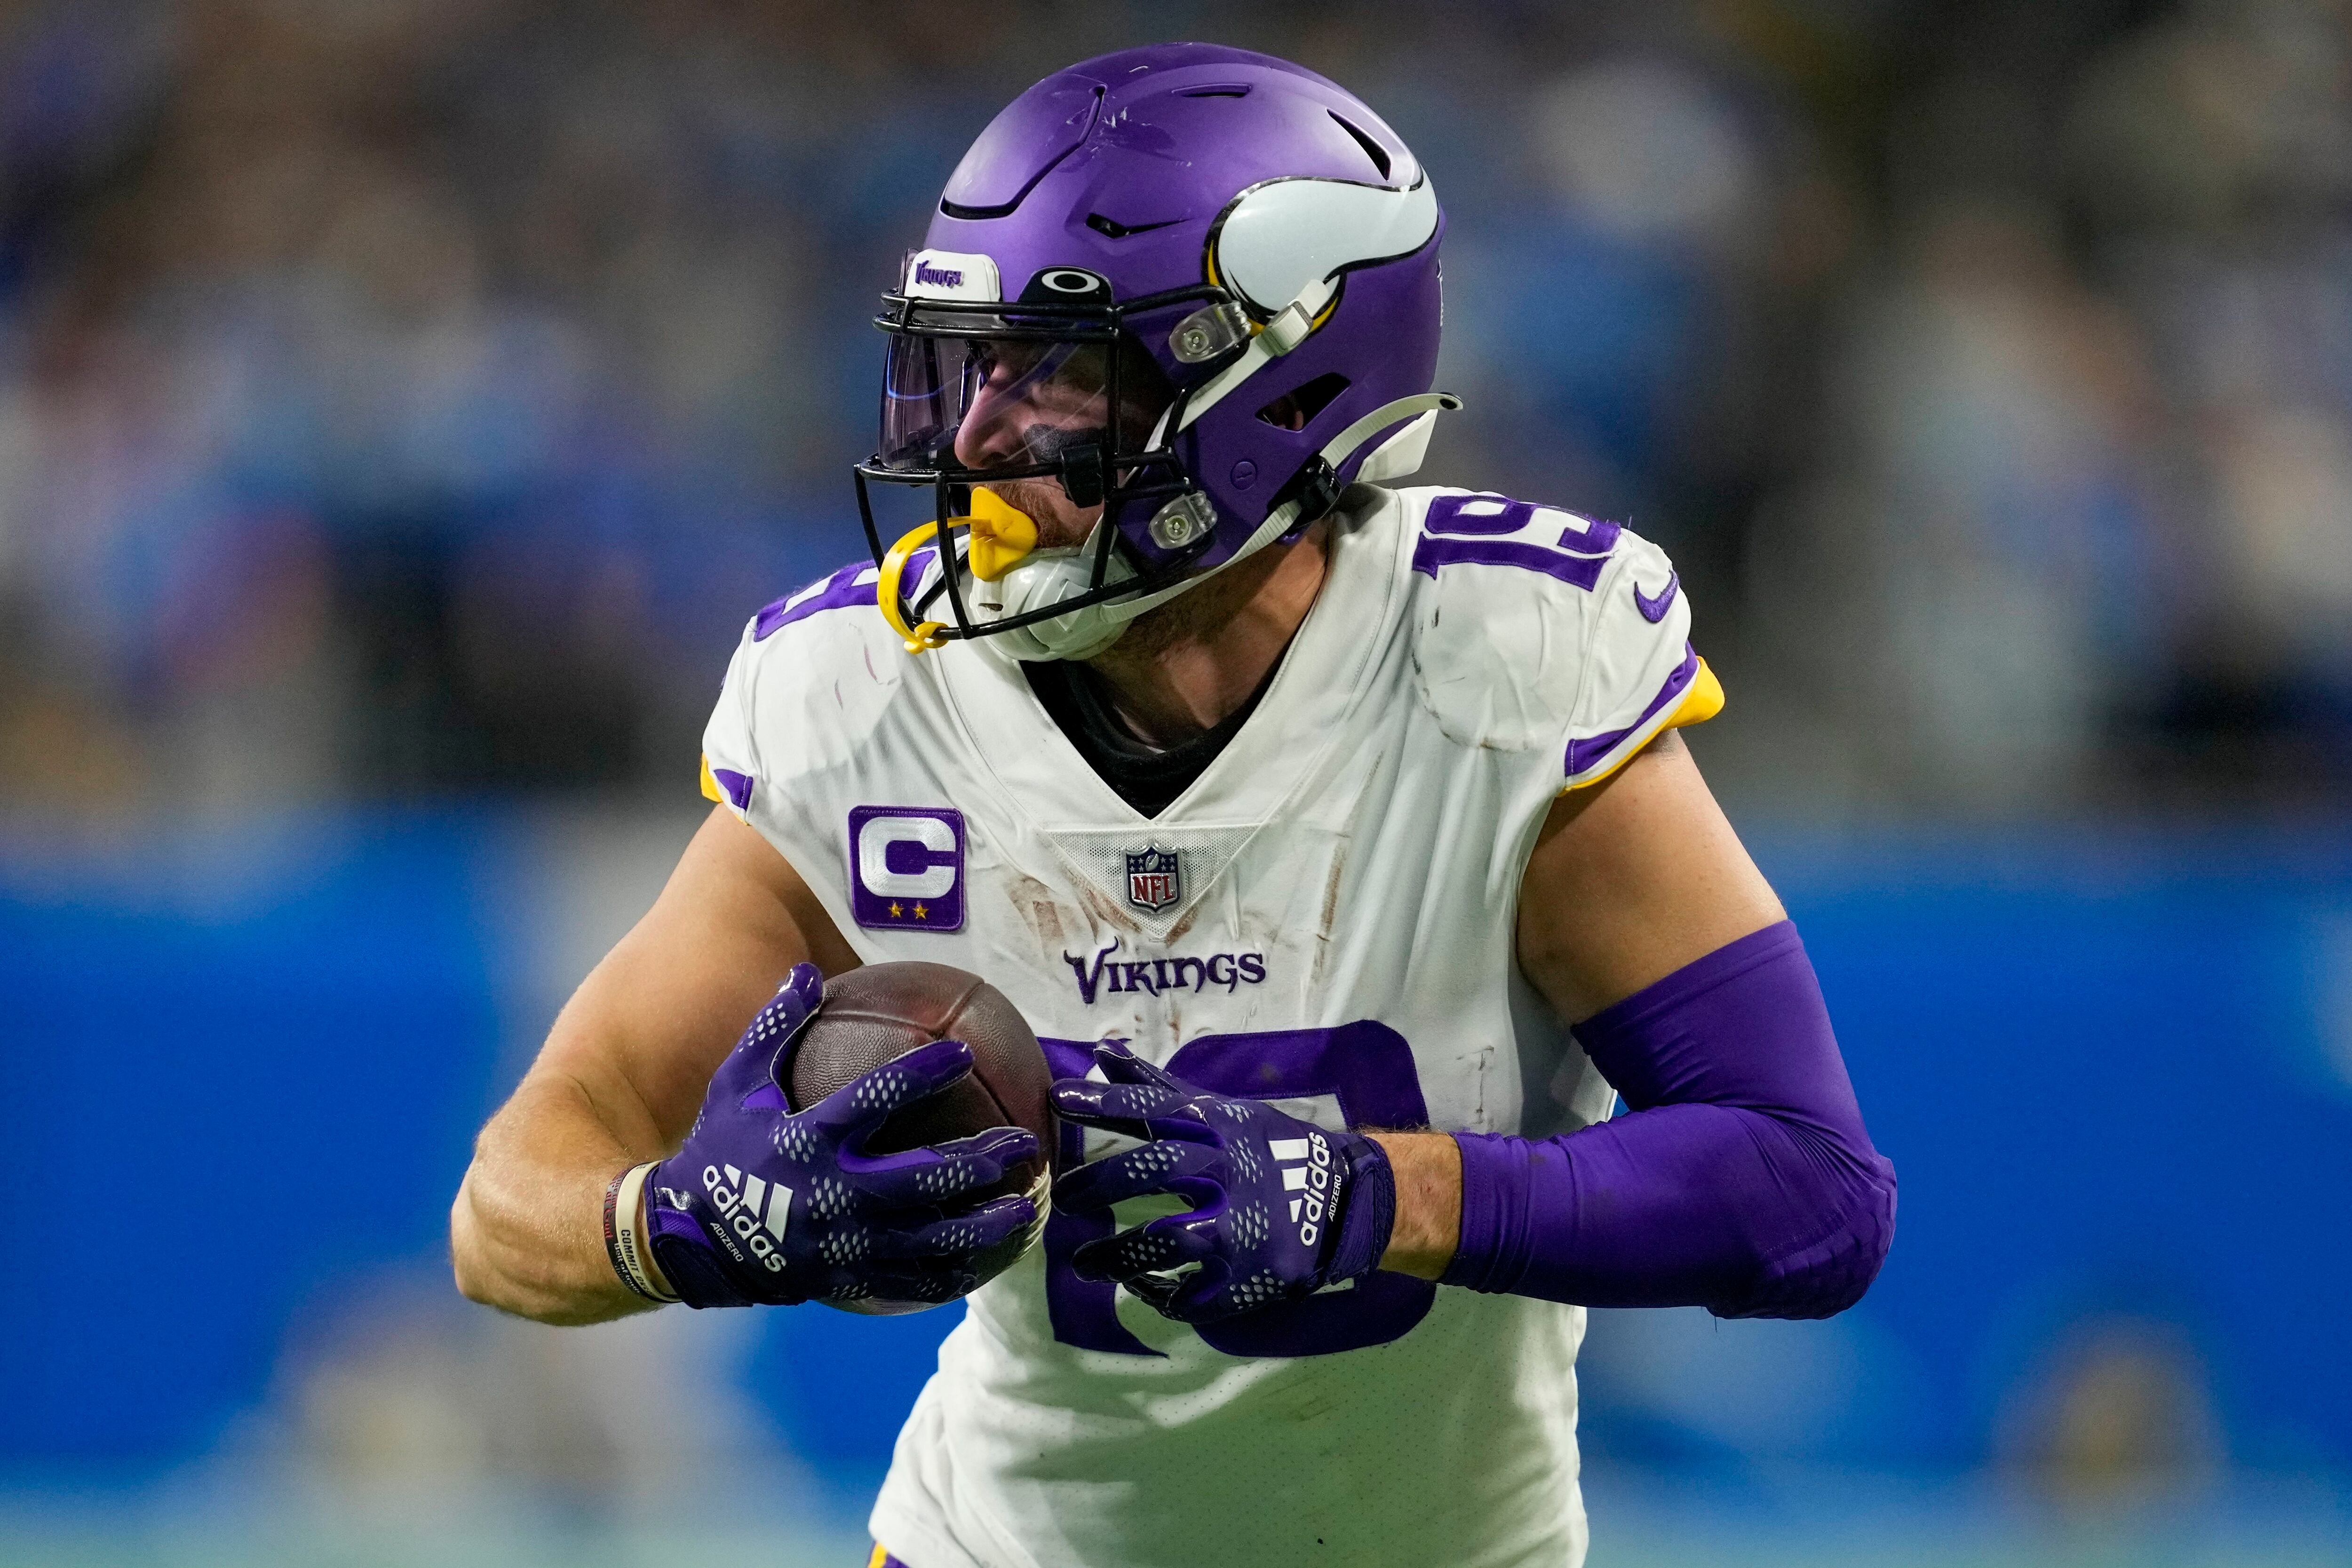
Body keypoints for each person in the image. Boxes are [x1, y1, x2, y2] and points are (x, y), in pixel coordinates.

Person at [450, 42, 1895, 1568]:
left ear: (1283, 388)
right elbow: (507, 1210)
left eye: (1062, 372)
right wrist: (687, 1226)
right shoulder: (870, 696)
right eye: (973, 365)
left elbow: (1808, 1193)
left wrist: (1366, 1195)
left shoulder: (1500, 669)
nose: (980, 438)